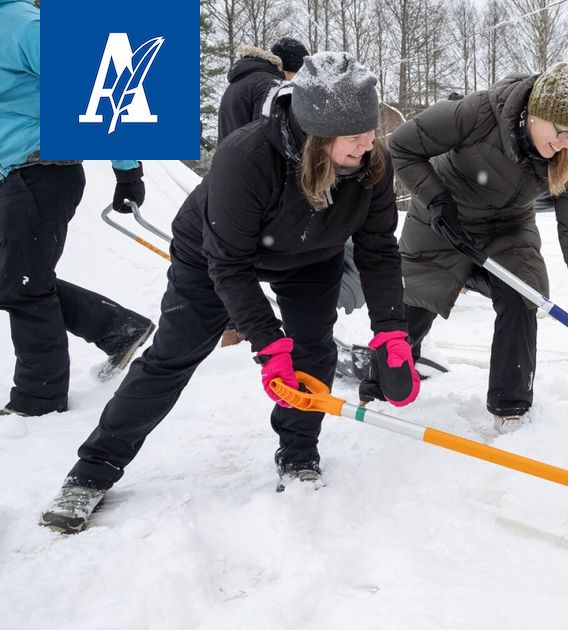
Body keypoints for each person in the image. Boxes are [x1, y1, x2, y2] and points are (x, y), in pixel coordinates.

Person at [39, 52, 420, 534]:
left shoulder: (371, 164)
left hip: (310, 256)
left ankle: (299, 454)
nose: (367, 148)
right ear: (317, 133)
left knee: (313, 352)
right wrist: (267, 344)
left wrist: (391, 332)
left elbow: (378, 249)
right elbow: (229, 264)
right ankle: (92, 470)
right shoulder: (247, 157)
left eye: (370, 134)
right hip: (213, 252)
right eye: (354, 138)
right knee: (172, 356)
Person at [386, 61, 568, 433]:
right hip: (445, 217)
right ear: (536, 113)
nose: (565, 144)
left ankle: (510, 405)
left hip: (508, 228)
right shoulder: (477, 113)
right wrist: (437, 200)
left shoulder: (567, 158)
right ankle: (383, 376)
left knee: (523, 294)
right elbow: (402, 145)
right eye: (561, 132)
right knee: (418, 300)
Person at [0, 0, 155, 418]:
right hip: (11, 176)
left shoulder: (21, 24)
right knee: (15, 279)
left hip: (41, 173)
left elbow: (100, 89)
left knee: (23, 285)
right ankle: (119, 329)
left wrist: (128, 170)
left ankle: (39, 398)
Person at [216, 37, 310, 144]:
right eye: (299, 74)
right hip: (251, 159)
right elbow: (267, 139)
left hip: (230, 158)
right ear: (290, 69)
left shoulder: (241, 81)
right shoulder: (269, 86)